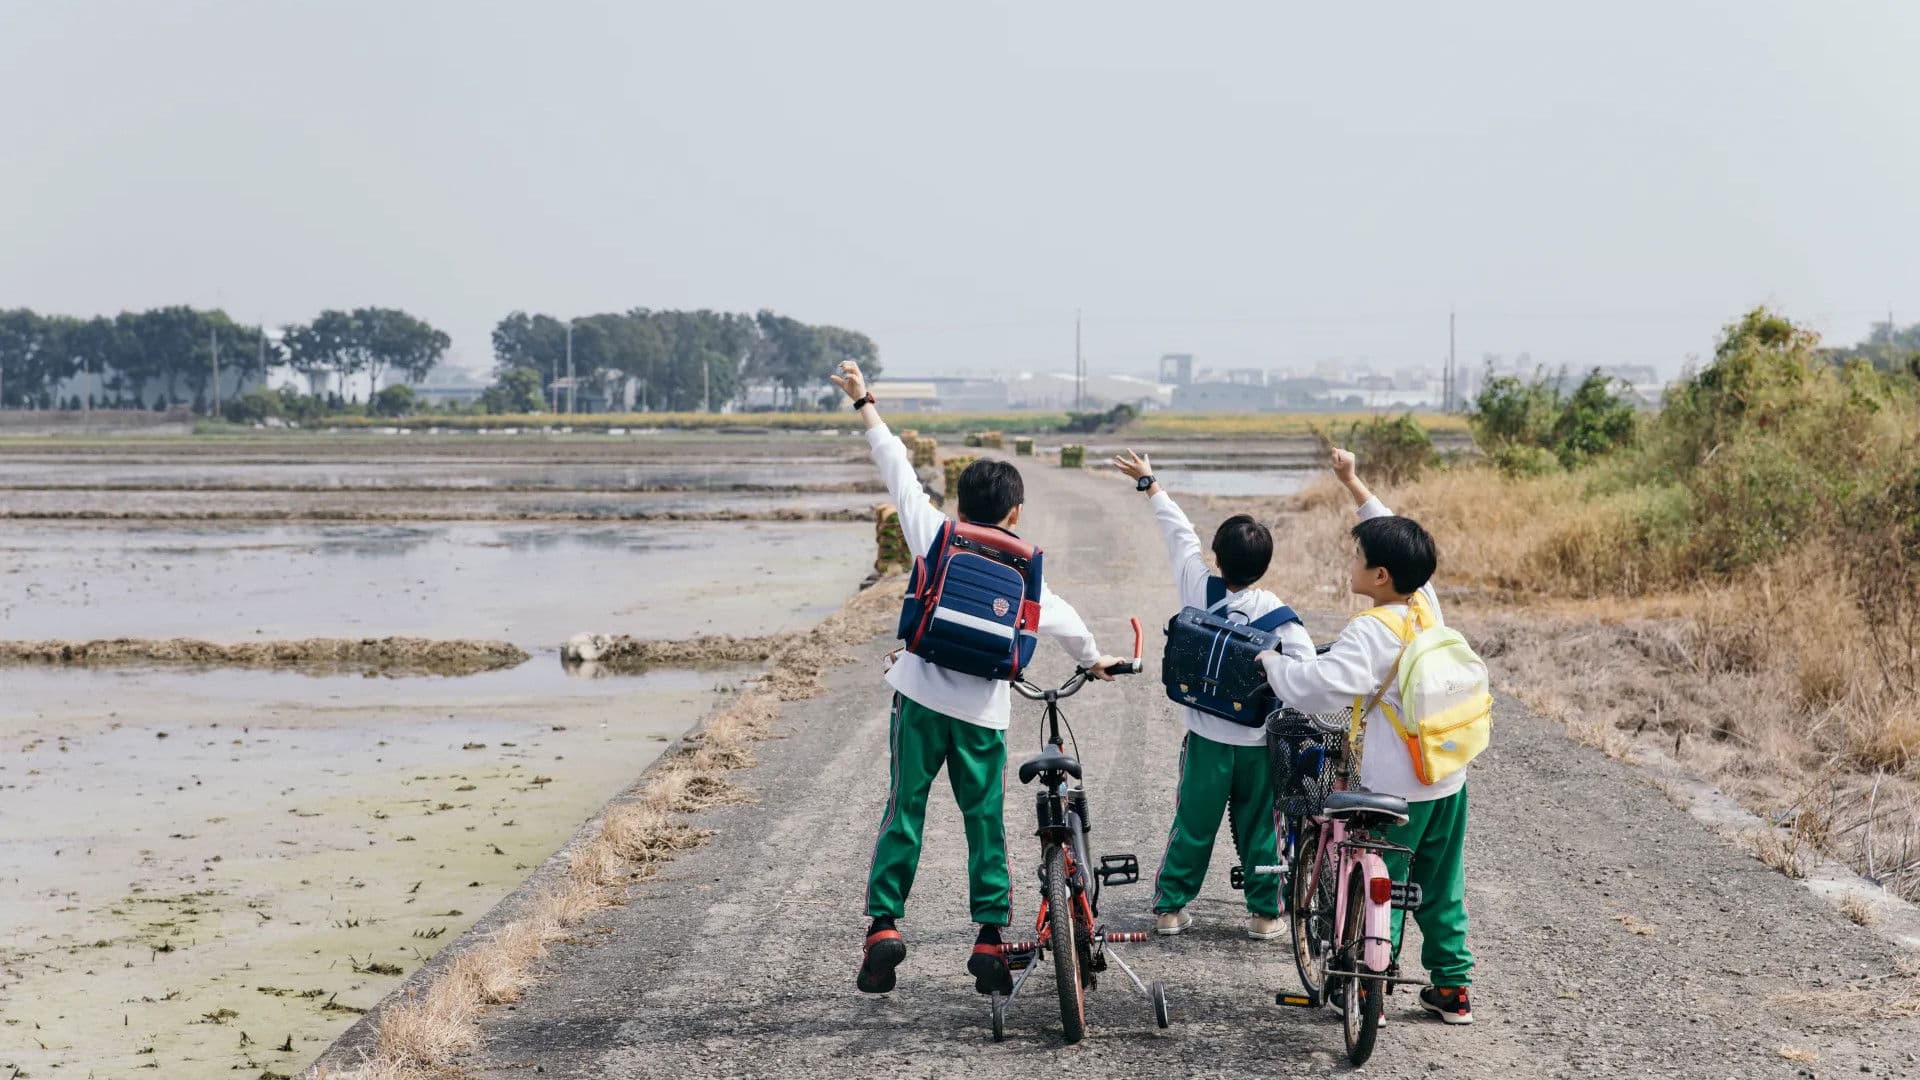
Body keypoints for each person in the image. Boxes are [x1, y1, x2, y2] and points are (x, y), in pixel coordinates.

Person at [831, 359, 1126, 997]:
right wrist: (1093, 659)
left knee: (903, 808)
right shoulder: (1024, 569)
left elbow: (898, 469)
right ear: (1014, 513)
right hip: (982, 715)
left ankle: (884, 928)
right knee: (983, 821)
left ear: (963, 504)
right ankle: (991, 936)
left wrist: (866, 402)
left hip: (918, 696)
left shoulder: (936, 533)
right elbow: (1066, 622)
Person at [1256, 447, 1475, 1025]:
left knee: (1384, 883)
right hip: (1448, 775)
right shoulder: (1427, 604)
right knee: (1441, 884)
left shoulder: (1369, 631)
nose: (1350, 562)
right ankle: (1453, 989)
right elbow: (1393, 533)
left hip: (1392, 788)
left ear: (1380, 576)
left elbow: (1317, 689)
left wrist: (1271, 666)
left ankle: (1369, 990)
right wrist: (1353, 485)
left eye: (1358, 556)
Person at [1110, 448, 1314, 940]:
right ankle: (1265, 914)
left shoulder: (1199, 588)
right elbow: (1308, 669)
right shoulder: (1278, 614)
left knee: (1193, 823)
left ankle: (1170, 909)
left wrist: (1150, 482)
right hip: (1257, 744)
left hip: (1205, 739)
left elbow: (1179, 533)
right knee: (1260, 830)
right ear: (1264, 566)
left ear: (1217, 559)